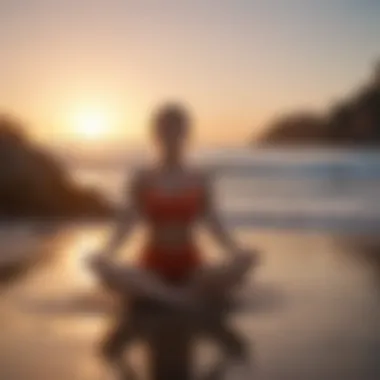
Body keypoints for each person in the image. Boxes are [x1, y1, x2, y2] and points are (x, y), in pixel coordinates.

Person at [89, 103, 259, 376]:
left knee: (247, 260)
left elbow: (214, 224)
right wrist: (105, 253)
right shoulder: (142, 178)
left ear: (186, 134)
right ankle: (182, 300)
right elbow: (127, 223)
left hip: (191, 268)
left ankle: (170, 298)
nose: (170, 137)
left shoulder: (200, 178)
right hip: (151, 270)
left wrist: (238, 253)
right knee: (99, 264)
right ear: (155, 135)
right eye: (164, 130)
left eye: (176, 130)